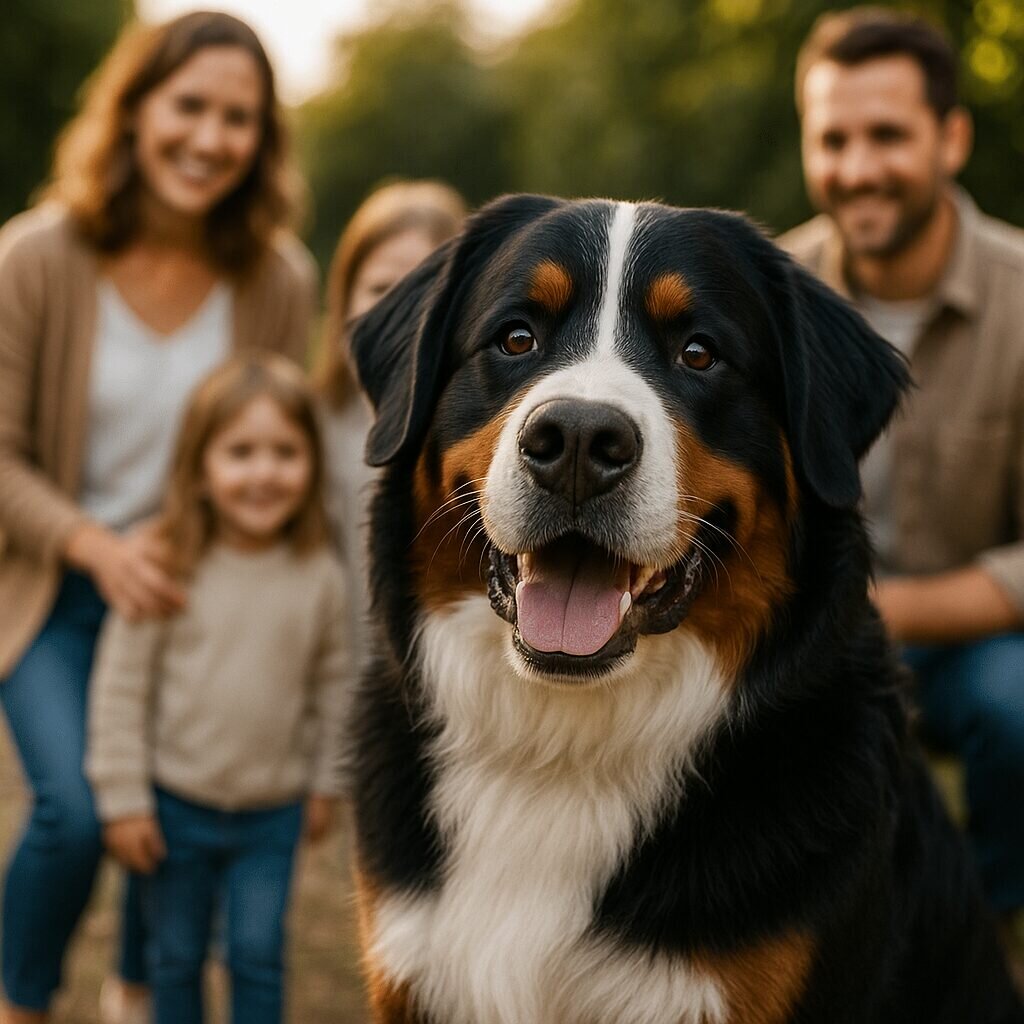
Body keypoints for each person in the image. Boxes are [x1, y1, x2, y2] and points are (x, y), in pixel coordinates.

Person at [0, 11, 315, 1023]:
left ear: (262, 139)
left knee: (167, 818)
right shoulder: (35, 258)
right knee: (74, 811)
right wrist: (93, 545)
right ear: (135, 110)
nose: (210, 138)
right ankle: (20, 1001)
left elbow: (283, 446)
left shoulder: (277, 279)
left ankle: (134, 996)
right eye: (189, 106)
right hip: (55, 592)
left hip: (194, 605)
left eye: (238, 118)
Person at [779, 7, 1024, 943]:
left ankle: (986, 932)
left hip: (966, 647)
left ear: (951, 139)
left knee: (1019, 703)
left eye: (887, 135)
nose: (857, 168)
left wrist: (881, 611)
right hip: (793, 632)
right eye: (832, 140)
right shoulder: (767, 293)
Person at [86, 353, 348, 1024]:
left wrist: (326, 782)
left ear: (312, 462)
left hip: (272, 813)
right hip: (175, 805)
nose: (264, 473)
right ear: (199, 468)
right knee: (175, 957)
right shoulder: (167, 565)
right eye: (240, 453)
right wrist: (123, 801)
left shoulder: (318, 574)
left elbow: (333, 688)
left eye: (285, 452)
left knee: (257, 954)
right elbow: (120, 692)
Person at [315, 179, 465, 725]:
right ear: (344, 300)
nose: (401, 312)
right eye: (379, 289)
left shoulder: (463, 443)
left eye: (422, 289)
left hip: (426, 689)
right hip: (317, 681)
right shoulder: (308, 426)